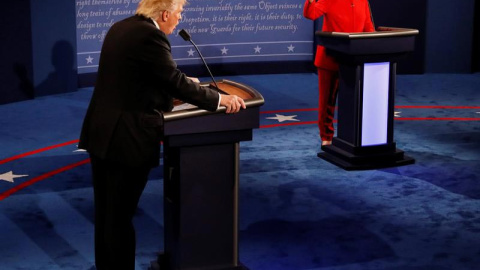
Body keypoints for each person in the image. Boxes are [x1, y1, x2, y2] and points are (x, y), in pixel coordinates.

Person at [78, 0, 246, 269]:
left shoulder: (123, 27)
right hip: (126, 139)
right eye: (179, 13)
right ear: (165, 13)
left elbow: (141, 76)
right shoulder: (151, 36)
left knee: (108, 217)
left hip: (101, 134)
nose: (179, 19)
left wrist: (180, 81)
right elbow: (172, 81)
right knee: (119, 219)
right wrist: (219, 100)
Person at [303, 0, 375, 145]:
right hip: (329, 59)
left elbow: (368, 27)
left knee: (354, 100)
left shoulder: (363, 1)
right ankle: (326, 137)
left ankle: (353, 135)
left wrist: (374, 47)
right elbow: (311, 14)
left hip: (354, 60)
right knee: (327, 101)